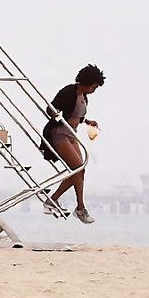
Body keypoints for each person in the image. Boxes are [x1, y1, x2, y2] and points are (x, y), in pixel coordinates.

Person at [40, 64, 105, 224]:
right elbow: (51, 109)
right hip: (59, 133)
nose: (94, 90)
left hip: (72, 135)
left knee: (80, 170)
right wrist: (55, 113)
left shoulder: (84, 97)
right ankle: (71, 205)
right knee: (77, 168)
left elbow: (76, 115)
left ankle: (78, 208)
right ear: (87, 82)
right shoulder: (69, 91)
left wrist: (87, 121)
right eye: (93, 86)